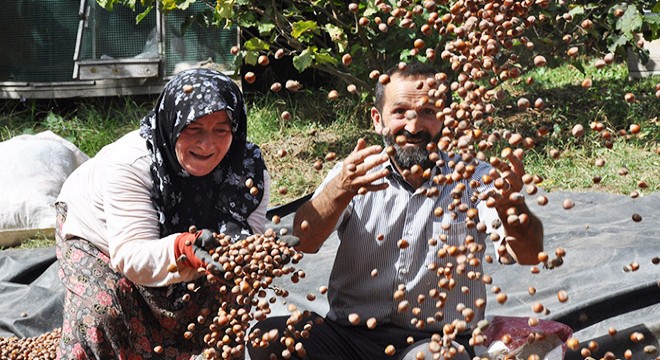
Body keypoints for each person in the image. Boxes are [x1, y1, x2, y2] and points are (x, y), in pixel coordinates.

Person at [247, 62, 544, 360]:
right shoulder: (355, 172)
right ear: (378, 119)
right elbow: (304, 239)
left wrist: (509, 205)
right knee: (268, 337)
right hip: (350, 338)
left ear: (445, 119)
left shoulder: (474, 178)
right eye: (400, 112)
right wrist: (341, 188)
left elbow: (529, 254)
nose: (413, 128)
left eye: (428, 112)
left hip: (432, 342)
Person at [55, 68, 272, 359]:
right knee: (106, 305)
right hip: (98, 231)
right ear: (172, 123)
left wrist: (259, 253)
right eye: (194, 129)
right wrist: (184, 249)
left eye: (221, 129)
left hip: (180, 241)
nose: (207, 144)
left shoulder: (247, 169)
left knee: (229, 291)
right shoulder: (132, 163)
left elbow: (249, 244)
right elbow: (131, 255)